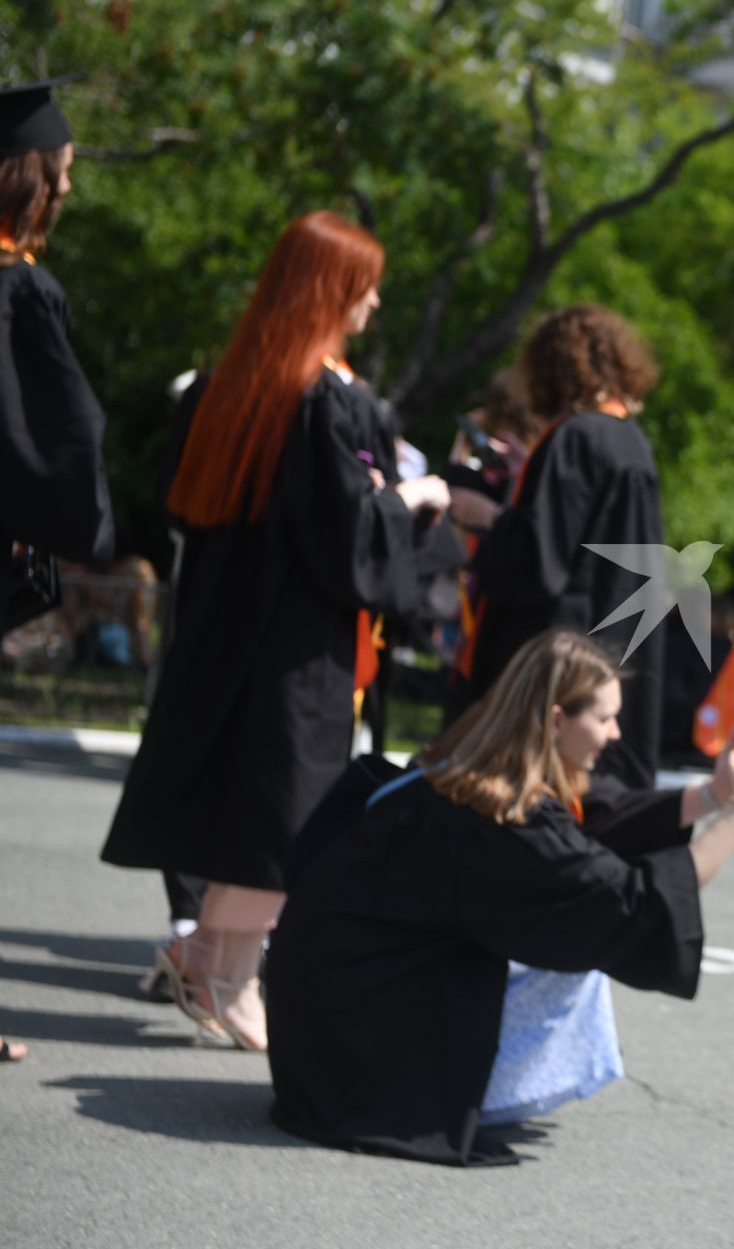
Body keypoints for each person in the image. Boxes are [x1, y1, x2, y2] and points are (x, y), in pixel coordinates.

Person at [100, 211, 450, 1052]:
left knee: (248, 810)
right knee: (285, 819)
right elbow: (344, 540)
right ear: (332, 290)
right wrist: (414, 499)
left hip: (224, 625)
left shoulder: (235, 384)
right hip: (297, 645)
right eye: (363, 286)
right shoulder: (323, 399)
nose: (372, 303)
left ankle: (202, 961)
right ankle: (232, 978)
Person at [265, 629, 734, 1165]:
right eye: (604, 719)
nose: (615, 734)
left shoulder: (459, 776)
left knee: (578, 914)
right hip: (359, 1073)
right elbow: (629, 901)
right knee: (588, 937)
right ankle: (448, 1093)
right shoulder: (501, 823)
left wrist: (714, 795)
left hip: (320, 1040)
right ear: (556, 721)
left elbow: (594, 825)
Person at [451, 305, 667, 800]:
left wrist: (486, 516)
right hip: (613, 641)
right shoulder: (629, 440)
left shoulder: (573, 437)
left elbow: (539, 561)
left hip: (562, 658)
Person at [1, 75, 114, 629]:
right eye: (62, 170)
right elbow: (55, 432)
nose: (67, 188)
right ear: (33, 180)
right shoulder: (21, 291)